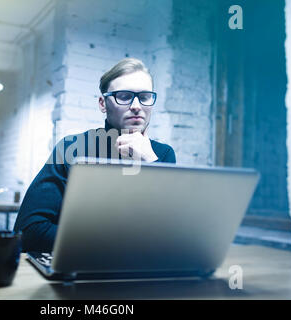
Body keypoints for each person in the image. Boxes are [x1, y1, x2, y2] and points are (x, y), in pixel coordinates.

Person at [13, 58, 176, 252]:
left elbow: (173, 234)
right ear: (103, 104)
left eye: (145, 96)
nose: (136, 105)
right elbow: (28, 231)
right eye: (124, 96)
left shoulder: (162, 155)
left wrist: (151, 163)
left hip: (141, 272)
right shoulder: (71, 148)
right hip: (82, 268)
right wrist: (109, 244)